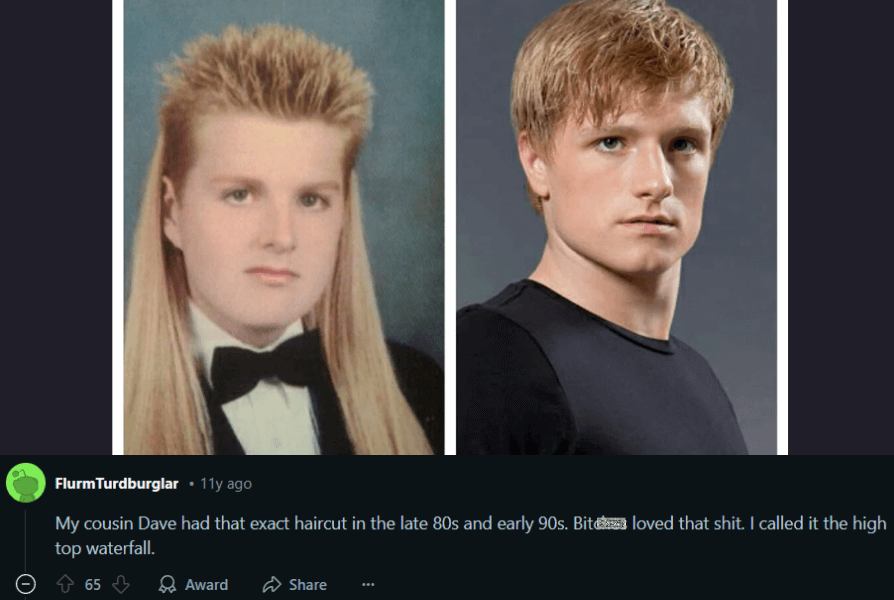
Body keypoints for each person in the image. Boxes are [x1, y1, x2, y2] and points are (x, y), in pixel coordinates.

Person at [125, 24, 440, 455]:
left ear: (344, 216)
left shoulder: (421, 388)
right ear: (171, 211)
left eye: (310, 199)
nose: (281, 237)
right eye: (240, 195)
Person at [457, 0, 748, 454]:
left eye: (683, 144)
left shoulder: (701, 383)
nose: (656, 182)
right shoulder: (488, 358)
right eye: (612, 141)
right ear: (535, 161)